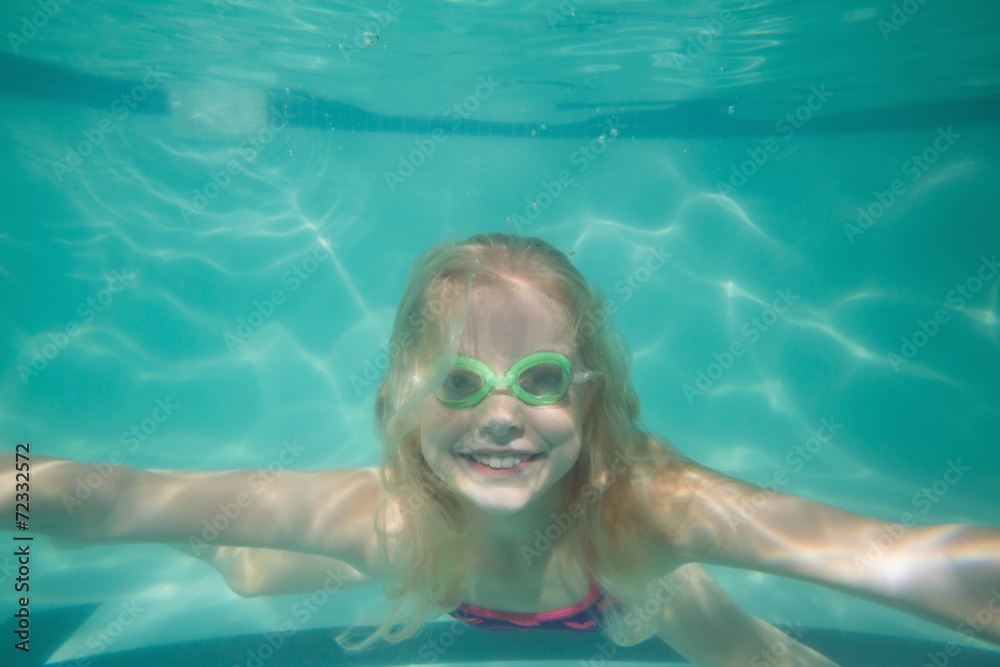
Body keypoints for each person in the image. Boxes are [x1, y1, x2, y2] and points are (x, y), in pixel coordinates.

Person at [5, 233, 999, 666]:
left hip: (626, 582)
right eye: (458, 382)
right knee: (254, 572)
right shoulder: (379, 519)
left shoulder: (651, 507)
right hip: (434, 565)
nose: (500, 416)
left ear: (587, 399)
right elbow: (115, 498)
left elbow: (898, 560)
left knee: (753, 657)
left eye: (538, 380)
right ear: (401, 401)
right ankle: (237, 555)